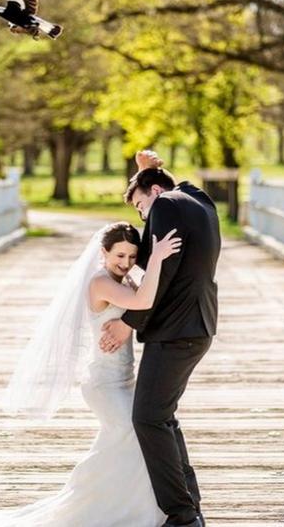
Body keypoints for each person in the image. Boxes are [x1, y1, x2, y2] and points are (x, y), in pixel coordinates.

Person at [0, 220, 181, 526]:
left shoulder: (124, 281)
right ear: (103, 253)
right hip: (105, 385)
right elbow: (143, 302)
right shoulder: (100, 283)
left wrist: (130, 320)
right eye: (119, 256)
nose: (126, 263)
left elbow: (144, 306)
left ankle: (122, 507)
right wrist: (155, 259)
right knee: (133, 434)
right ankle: (93, 505)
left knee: (131, 440)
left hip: (125, 381)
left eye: (131, 257)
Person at [100, 150, 221, 527]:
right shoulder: (199, 200)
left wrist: (128, 322)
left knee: (149, 418)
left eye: (140, 207)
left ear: (154, 192)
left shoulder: (165, 205)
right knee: (162, 417)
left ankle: (183, 516)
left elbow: (163, 270)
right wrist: (145, 174)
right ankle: (191, 506)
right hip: (197, 327)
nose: (142, 217)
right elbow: (162, 254)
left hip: (175, 331)